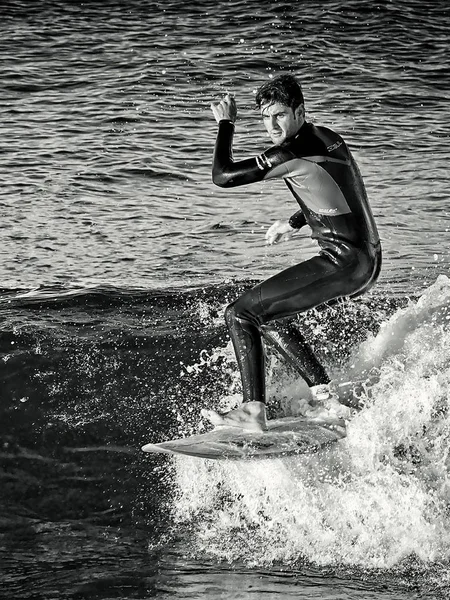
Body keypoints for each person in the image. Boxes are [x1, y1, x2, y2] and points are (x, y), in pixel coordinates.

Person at [201, 74, 381, 432]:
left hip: (342, 261)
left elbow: (222, 176)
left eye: (280, 115)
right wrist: (296, 221)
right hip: (366, 259)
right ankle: (326, 399)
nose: (272, 126)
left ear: (299, 111)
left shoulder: (289, 151)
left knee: (240, 314)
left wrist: (225, 123)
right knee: (273, 314)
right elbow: (340, 188)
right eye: (265, 117)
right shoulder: (326, 137)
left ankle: (252, 412)